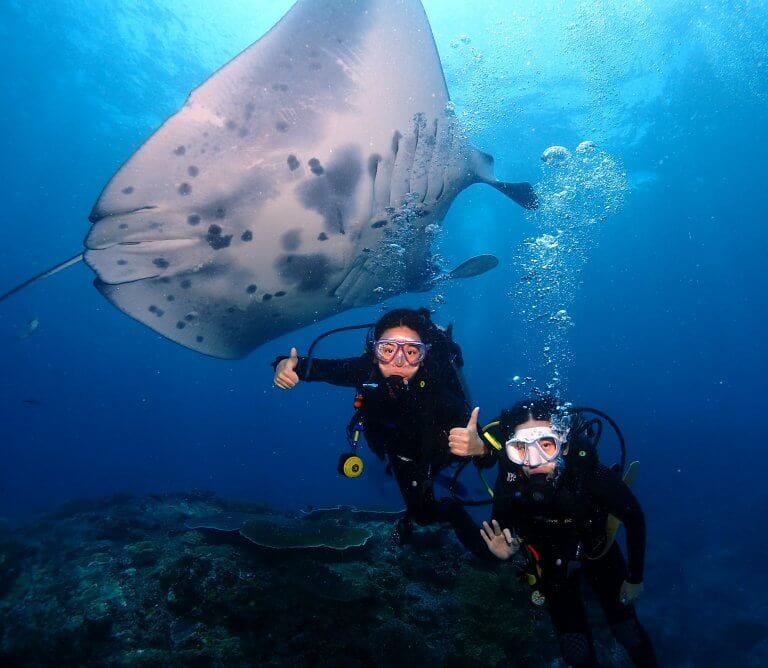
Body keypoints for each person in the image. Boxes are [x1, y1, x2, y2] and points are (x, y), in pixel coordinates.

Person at [451, 395, 657, 667]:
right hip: (551, 566)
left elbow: (634, 518)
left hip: (600, 555)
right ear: (510, 451)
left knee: (627, 631)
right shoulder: (511, 482)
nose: (534, 461)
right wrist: (506, 553)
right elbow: (500, 535)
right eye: (521, 448)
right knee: (576, 650)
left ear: (565, 446)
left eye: (546, 445)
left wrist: (634, 578)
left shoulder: (589, 474)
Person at [272, 307, 493, 554]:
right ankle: (447, 508)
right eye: (388, 350)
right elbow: (307, 367)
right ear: (374, 352)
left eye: (411, 352)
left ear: (424, 355)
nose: (399, 362)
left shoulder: (437, 386)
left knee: (437, 479)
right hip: (402, 454)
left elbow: (491, 454)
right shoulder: (366, 370)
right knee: (423, 517)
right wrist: (283, 365)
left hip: (440, 449)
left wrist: (480, 449)